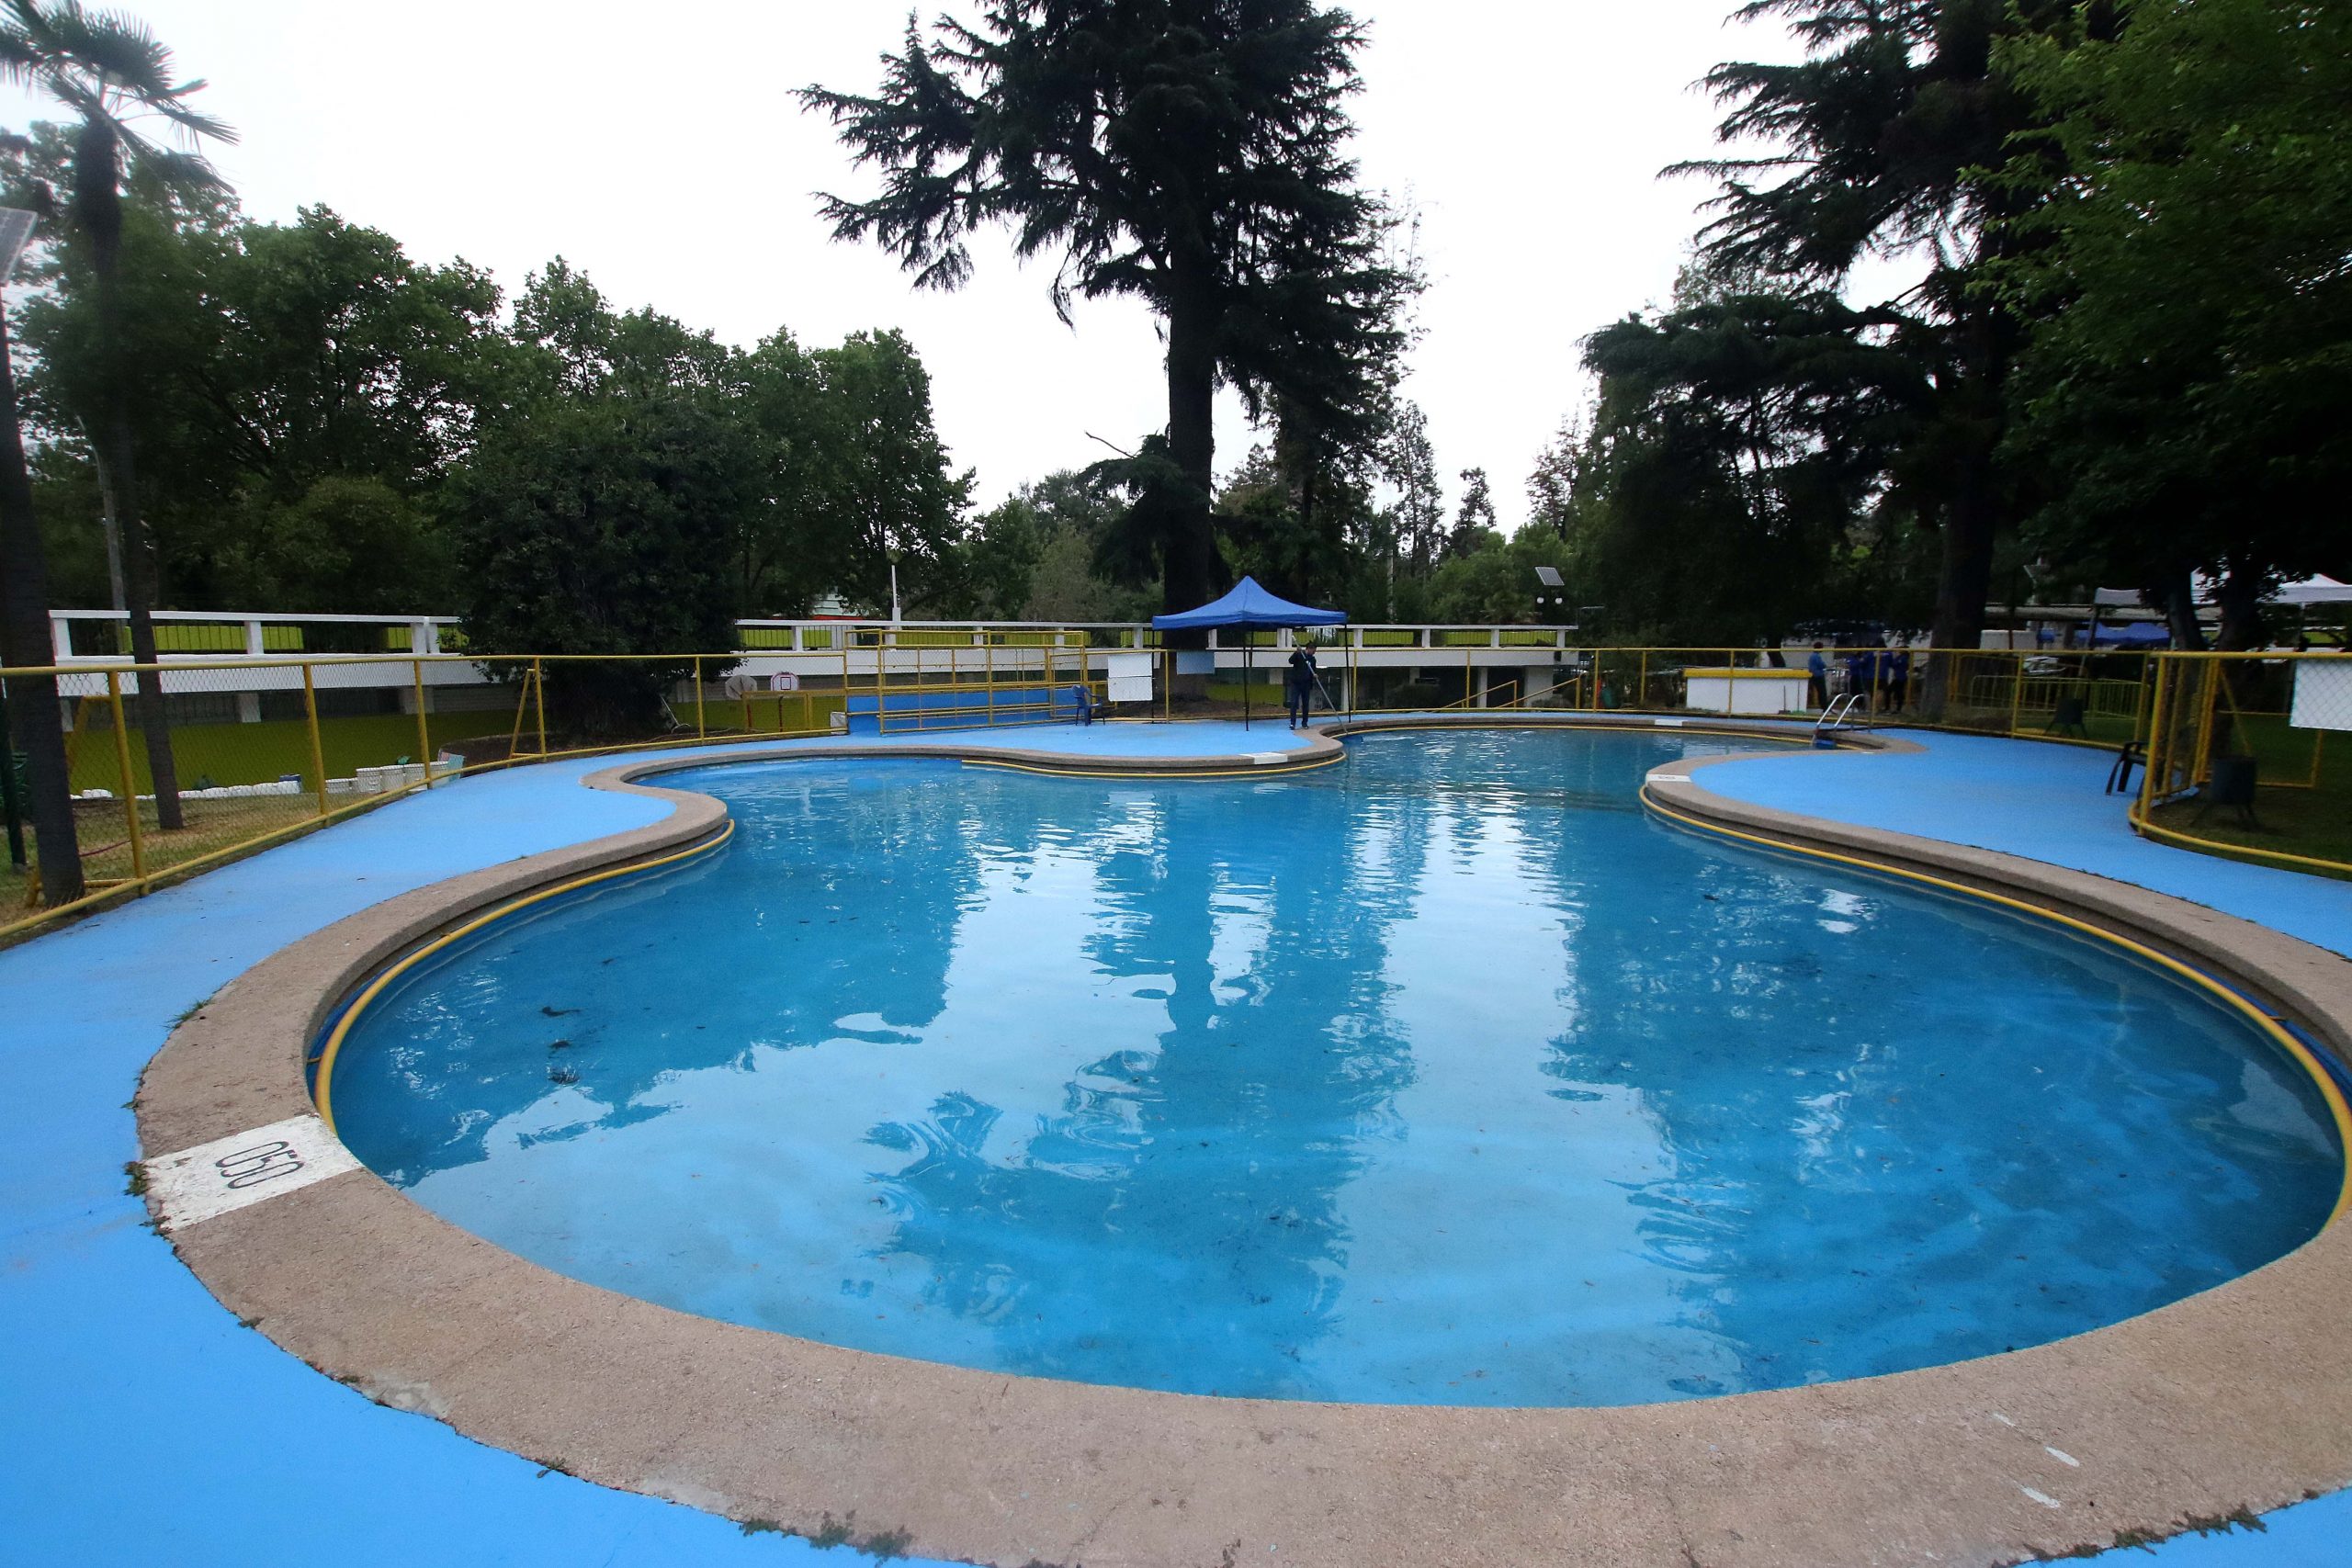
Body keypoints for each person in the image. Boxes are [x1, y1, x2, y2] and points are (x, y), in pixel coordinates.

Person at [1284, 639, 1319, 728]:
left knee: (1305, 704)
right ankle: (1292, 723)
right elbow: (1290, 661)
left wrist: (1315, 675)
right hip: (1296, 683)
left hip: (1306, 684)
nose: (1314, 652)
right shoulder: (1300, 655)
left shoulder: (1312, 659)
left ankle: (1304, 723)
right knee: (1294, 702)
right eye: (1314, 651)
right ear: (1309, 649)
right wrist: (1296, 653)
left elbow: (1313, 671)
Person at [1881, 642, 1910, 715]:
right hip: (1897, 677)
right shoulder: (1899, 657)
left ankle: (1896, 709)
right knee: (1891, 692)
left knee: (1896, 693)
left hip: (1900, 678)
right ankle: (1890, 708)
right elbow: (1893, 664)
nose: (1898, 650)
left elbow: (1895, 664)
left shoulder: (1904, 658)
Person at [1805, 642, 1828, 709]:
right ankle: (1824, 707)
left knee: (1818, 691)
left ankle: (1822, 706)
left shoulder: (1812, 656)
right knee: (1822, 692)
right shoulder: (1816, 656)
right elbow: (1821, 665)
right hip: (1818, 675)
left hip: (1813, 674)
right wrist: (1824, 666)